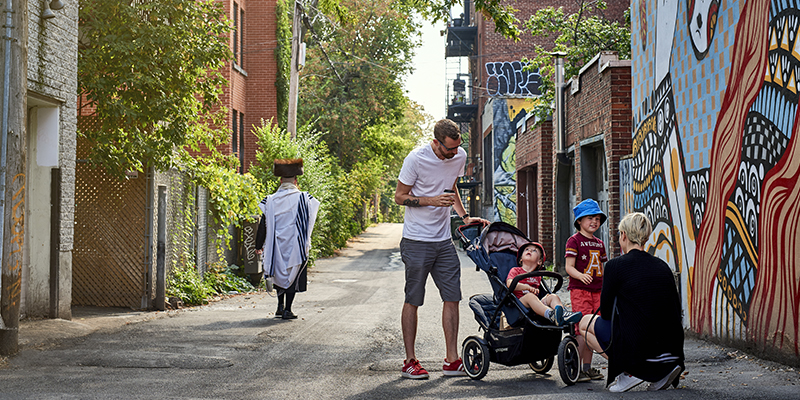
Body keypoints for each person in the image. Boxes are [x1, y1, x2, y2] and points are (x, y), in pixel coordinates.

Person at [394, 119, 488, 379]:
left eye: (458, 148)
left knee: (452, 297)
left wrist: (465, 216)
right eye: (449, 150)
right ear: (436, 143)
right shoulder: (416, 159)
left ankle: (452, 360)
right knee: (413, 299)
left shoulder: (459, 156)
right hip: (416, 240)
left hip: (443, 240)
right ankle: (410, 361)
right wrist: (431, 201)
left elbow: (452, 188)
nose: (455, 154)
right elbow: (400, 196)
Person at [578, 212, 685, 392]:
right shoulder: (663, 266)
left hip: (637, 342)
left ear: (624, 236)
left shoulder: (615, 266)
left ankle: (628, 371)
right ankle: (661, 372)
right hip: (670, 347)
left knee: (584, 323)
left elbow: (605, 312)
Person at [255, 159, 320, 320]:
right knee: (293, 273)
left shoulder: (270, 200)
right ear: (296, 181)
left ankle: (279, 306)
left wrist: (258, 245)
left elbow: (263, 224)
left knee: (278, 273)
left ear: (281, 181)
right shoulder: (305, 199)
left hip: (275, 245)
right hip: (295, 245)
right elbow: (310, 219)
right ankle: (288, 309)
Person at [565, 198, 608, 382]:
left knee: (594, 329)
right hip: (580, 290)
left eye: (597, 218)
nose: (594, 222)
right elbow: (569, 266)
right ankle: (578, 368)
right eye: (589, 218)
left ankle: (587, 368)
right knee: (581, 329)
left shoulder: (599, 243)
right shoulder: (574, 241)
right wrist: (580, 275)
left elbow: (604, 268)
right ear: (579, 221)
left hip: (598, 291)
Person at [507, 242, 582, 326]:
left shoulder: (538, 276)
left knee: (553, 297)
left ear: (539, 261)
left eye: (534, 251)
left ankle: (563, 315)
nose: (530, 251)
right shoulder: (515, 270)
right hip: (520, 301)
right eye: (527, 249)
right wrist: (526, 287)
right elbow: (510, 284)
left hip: (536, 302)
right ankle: (551, 314)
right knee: (530, 296)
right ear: (521, 259)